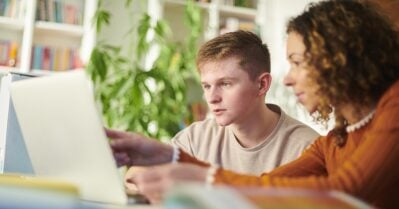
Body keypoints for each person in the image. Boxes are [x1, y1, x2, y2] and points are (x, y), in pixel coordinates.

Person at [110, 0, 399, 208]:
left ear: (340, 60)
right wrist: (163, 155)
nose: (287, 80)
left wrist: (203, 179)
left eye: (297, 63)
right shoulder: (334, 141)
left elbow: (343, 192)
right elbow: (263, 184)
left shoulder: (395, 105)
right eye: (207, 85)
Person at [123, 30, 319, 187]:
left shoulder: (306, 147)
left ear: (262, 85)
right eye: (207, 86)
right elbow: (133, 178)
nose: (212, 98)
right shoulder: (196, 138)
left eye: (225, 84)